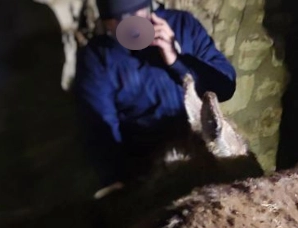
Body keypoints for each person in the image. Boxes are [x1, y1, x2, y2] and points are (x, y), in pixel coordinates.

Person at [74, 0, 236, 189]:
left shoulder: (183, 26)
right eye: (119, 20)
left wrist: (176, 59)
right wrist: (118, 182)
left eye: (137, 12)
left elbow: (225, 85)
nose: (131, 24)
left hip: (205, 148)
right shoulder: (99, 57)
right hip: (153, 167)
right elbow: (100, 128)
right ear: (106, 22)